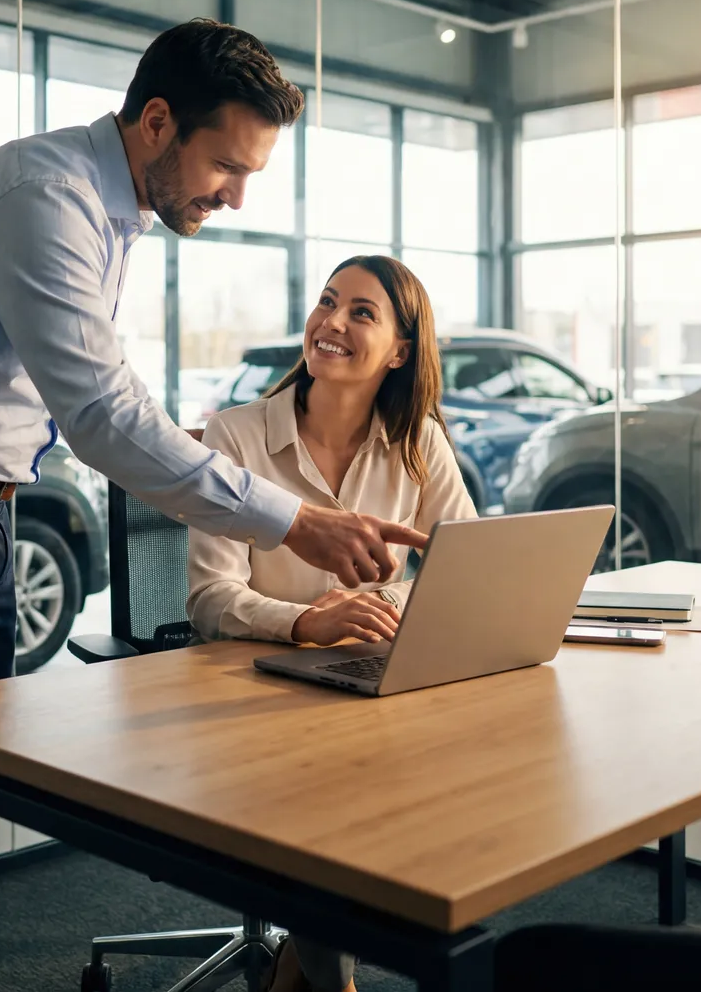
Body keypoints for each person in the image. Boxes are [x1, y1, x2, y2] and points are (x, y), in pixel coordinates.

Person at [0, 21, 429, 992]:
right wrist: (296, 520)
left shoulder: (107, 207)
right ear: (158, 122)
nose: (237, 194)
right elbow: (100, 413)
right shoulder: (47, 201)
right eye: (226, 164)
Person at [186, 255, 476, 992]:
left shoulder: (419, 444)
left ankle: (307, 959)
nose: (332, 322)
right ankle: (329, 977)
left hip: (374, 689)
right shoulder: (236, 437)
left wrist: (387, 610)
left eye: (361, 312)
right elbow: (210, 597)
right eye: (326, 302)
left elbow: (464, 568)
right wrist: (305, 623)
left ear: (401, 351)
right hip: (256, 699)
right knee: (333, 812)